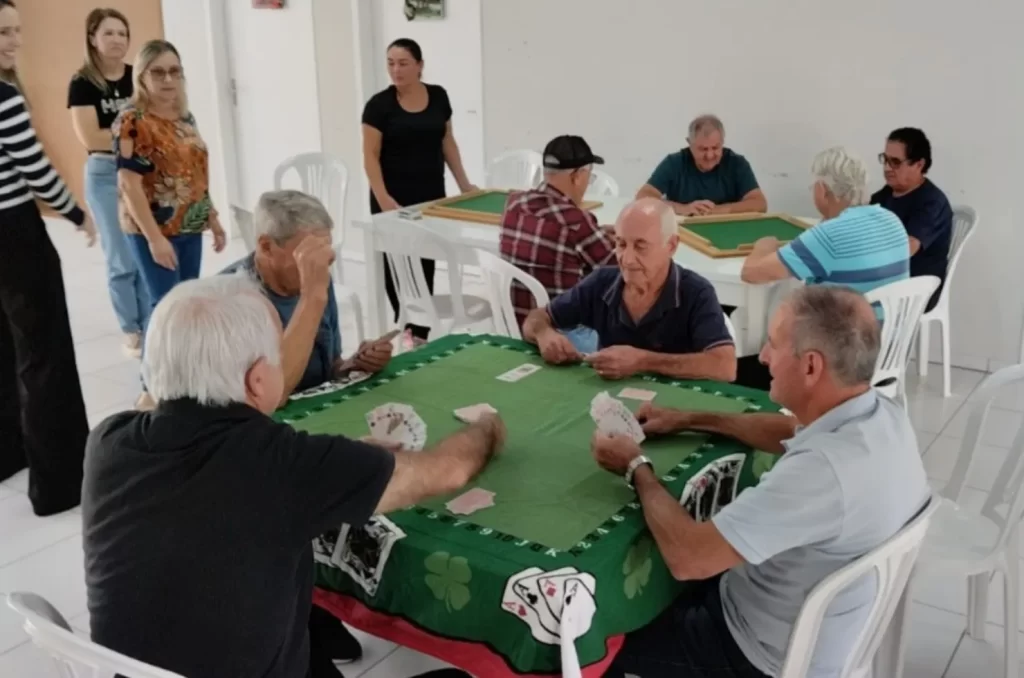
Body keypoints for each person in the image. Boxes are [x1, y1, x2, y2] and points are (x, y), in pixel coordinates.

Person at [83, 274, 494, 678]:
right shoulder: (283, 464)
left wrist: (343, 463)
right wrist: (488, 427)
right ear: (258, 379)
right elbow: (449, 471)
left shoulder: (107, 442)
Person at [593, 286, 930, 678]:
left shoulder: (821, 472)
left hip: (752, 652)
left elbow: (689, 559)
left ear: (810, 367)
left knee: (599, 635)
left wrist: (636, 465)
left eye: (772, 344)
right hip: (819, 624)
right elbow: (789, 428)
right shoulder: (882, 415)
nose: (764, 356)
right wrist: (690, 418)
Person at [0, 0, 98, 515]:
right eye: (3, 33)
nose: (14, 42)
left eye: (16, 31)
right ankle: (59, 485)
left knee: (6, 348)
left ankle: (10, 455)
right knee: (45, 355)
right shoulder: (5, 98)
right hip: (14, 233)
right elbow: (36, 171)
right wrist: (78, 214)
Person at [114, 39, 226, 409]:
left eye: (174, 71)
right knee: (163, 307)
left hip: (189, 224)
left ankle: (183, 378)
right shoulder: (132, 120)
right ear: (142, 76)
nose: (167, 80)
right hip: (151, 227)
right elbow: (129, 185)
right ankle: (152, 386)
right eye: (158, 72)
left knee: (187, 303)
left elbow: (195, 174)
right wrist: (154, 238)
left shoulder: (185, 118)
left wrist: (212, 217)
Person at [523, 198, 736, 382]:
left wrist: (642, 361)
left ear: (671, 246)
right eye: (621, 244)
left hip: (673, 408)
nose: (627, 259)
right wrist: (544, 334)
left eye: (641, 246)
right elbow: (537, 318)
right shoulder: (601, 283)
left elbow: (725, 366)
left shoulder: (696, 292)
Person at [223, 190, 395, 408]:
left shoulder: (317, 277)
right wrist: (313, 297)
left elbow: (331, 368)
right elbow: (269, 397)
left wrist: (356, 364)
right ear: (266, 246)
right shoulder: (229, 301)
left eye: (324, 250)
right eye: (308, 255)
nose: (322, 263)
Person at [362, 38, 477, 349]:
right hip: (391, 198)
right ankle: (405, 328)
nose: (396, 70)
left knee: (424, 263)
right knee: (397, 268)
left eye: (403, 63)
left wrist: (464, 184)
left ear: (420, 65)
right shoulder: (378, 106)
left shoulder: (438, 97)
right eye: (390, 63)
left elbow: (447, 142)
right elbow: (370, 156)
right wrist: (384, 199)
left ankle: (420, 332)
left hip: (430, 196)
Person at [68, 7, 149, 358]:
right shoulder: (83, 83)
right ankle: (131, 329)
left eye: (122, 33)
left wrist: (125, 137)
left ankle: (151, 322)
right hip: (104, 174)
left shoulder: (137, 76)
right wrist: (132, 137)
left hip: (141, 172)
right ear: (93, 38)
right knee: (121, 258)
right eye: (109, 33)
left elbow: (155, 123)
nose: (117, 40)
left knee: (146, 251)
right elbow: (90, 137)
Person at [499, 135, 616, 354]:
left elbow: (553, 240)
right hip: (560, 335)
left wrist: (596, 233)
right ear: (578, 176)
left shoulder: (513, 203)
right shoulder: (576, 221)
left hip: (511, 324)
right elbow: (618, 272)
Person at [740, 146, 910, 291]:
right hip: (889, 328)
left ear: (822, 189)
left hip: (842, 328)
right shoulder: (892, 221)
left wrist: (763, 246)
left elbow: (751, 273)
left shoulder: (828, 237)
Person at [870, 128, 953, 311]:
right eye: (885, 159)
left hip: (917, 288)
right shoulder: (885, 195)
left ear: (919, 164)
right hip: (887, 280)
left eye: (895, 162)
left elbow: (906, 248)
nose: (886, 168)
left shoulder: (932, 203)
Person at [636, 114, 767, 217]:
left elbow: (759, 203)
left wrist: (717, 210)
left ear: (723, 142)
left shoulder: (737, 164)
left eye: (715, 148)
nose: (709, 156)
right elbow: (643, 197)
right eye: (703, 149)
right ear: (689, 143)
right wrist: (683, 209)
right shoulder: (674, 163)